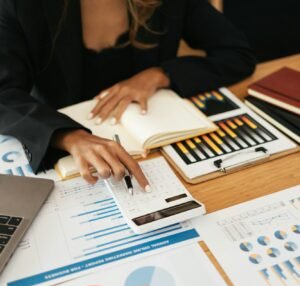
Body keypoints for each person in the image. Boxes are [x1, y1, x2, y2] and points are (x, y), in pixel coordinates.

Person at [0, 0, 256, 188]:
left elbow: (237, 54)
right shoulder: (18, 5)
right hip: (67, 161)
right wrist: (67, 136)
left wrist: (160, 74)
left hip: (159, 154)